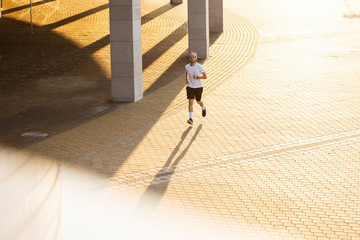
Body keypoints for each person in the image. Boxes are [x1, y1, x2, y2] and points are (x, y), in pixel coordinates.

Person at [185, 52, 207, 125]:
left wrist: (197, 77)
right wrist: (187, 79)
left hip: (198, 87)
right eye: (191, 57)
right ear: (189, 58)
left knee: (198, 101)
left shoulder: (199, 66)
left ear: (196, 58)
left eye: (193, 57)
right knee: (190, 102)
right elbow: (187, 72)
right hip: (190, 87)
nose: (192, 58)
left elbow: (205, 76)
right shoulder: (187, 66)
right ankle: (191, 119)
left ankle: (203, 107)